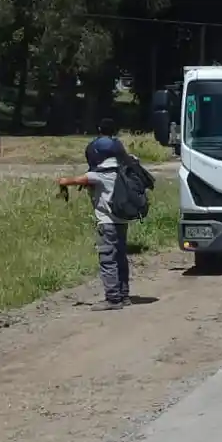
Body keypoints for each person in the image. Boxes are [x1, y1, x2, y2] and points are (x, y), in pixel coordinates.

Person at [57, 130, 132, 311]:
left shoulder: (100, 174)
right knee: (121, 257)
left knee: (108, 258)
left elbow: (73, 180)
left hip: (107, 222)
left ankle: (113, 299)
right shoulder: (123, 170)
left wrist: (62, 181)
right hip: (122, 221)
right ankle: (124, 294)